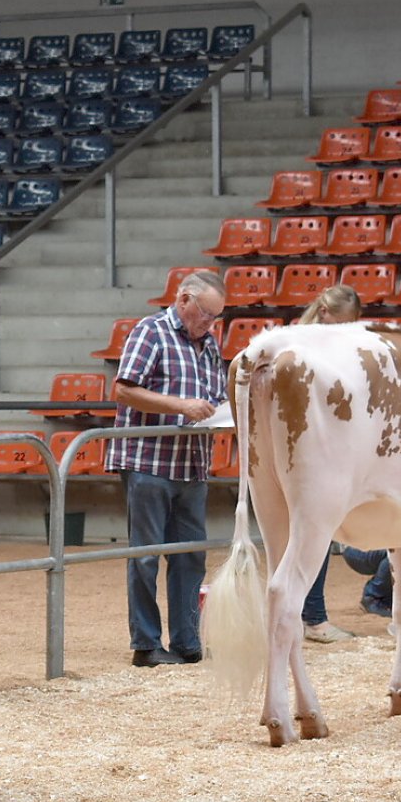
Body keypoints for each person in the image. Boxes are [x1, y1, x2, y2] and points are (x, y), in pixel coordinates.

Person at [105, 269, 227, 667]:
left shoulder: (209, 344)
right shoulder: (151, 331)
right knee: (146, 555)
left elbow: (215, 396)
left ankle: (188, 640)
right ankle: (146, 643)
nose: (209, 323)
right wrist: (181, 406)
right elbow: (123, 389)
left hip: (192, 464)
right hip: (149, 462)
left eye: (215, 317)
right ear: (183, 300)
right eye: (206, 314)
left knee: (190, 555)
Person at [294, 286, 362, 643]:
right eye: (338, 322)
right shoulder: (302, 346)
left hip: (322, 448)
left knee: (310, 535)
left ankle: (305, 615)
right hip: (311, 449)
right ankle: (313, 618)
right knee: (313, 535)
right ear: (323, 311)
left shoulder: (306, 341)